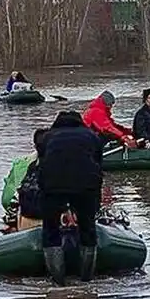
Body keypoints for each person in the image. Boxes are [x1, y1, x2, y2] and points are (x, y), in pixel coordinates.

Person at [38, 110, 104, 285]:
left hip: (53, 186)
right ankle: (86, 280)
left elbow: (42, 163)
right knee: (88, 229)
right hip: (86, 186)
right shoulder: (92, 136)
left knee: (50, 230)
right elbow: (99, 166)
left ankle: (59, 281)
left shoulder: (47, 137)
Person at [1, 128, 46, 230]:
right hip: (52, 224)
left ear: (35, 146)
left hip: (26, 223)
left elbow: (8, 200)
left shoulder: (25, 166)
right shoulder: (63, 168)